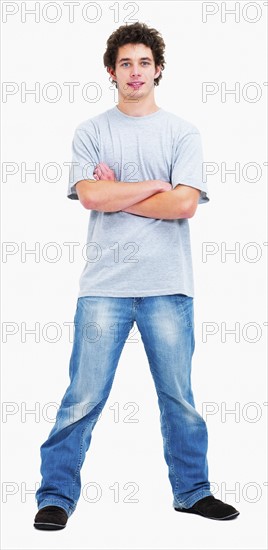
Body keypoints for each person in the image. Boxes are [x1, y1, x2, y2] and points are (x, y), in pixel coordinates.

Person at [34, 21, 239, 530]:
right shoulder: (91, 131)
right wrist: (155, 186)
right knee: (82, 397)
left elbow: (186, 204)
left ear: (158, 69)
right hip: (104, 287)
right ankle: (55, 496)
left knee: (179, 399)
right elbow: (91, 196)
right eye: (125, 62)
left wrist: (122, 188)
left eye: (144, 62)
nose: (135, 71)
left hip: (168, 285)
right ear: (111, 71)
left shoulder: (182, 132)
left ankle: (192, 492)